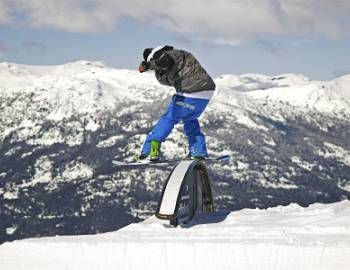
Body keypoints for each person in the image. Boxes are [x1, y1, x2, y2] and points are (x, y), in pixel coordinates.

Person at [138, 45, 216, 161]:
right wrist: (150, 67)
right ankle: (198, 151)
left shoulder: (163, 55)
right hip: (206, 93)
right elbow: (169, 74)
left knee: (169, 118)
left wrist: (150, 64)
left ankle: (149, 151)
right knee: (190, 119)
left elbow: (165, 60)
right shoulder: (177, 54)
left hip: (191, 91)